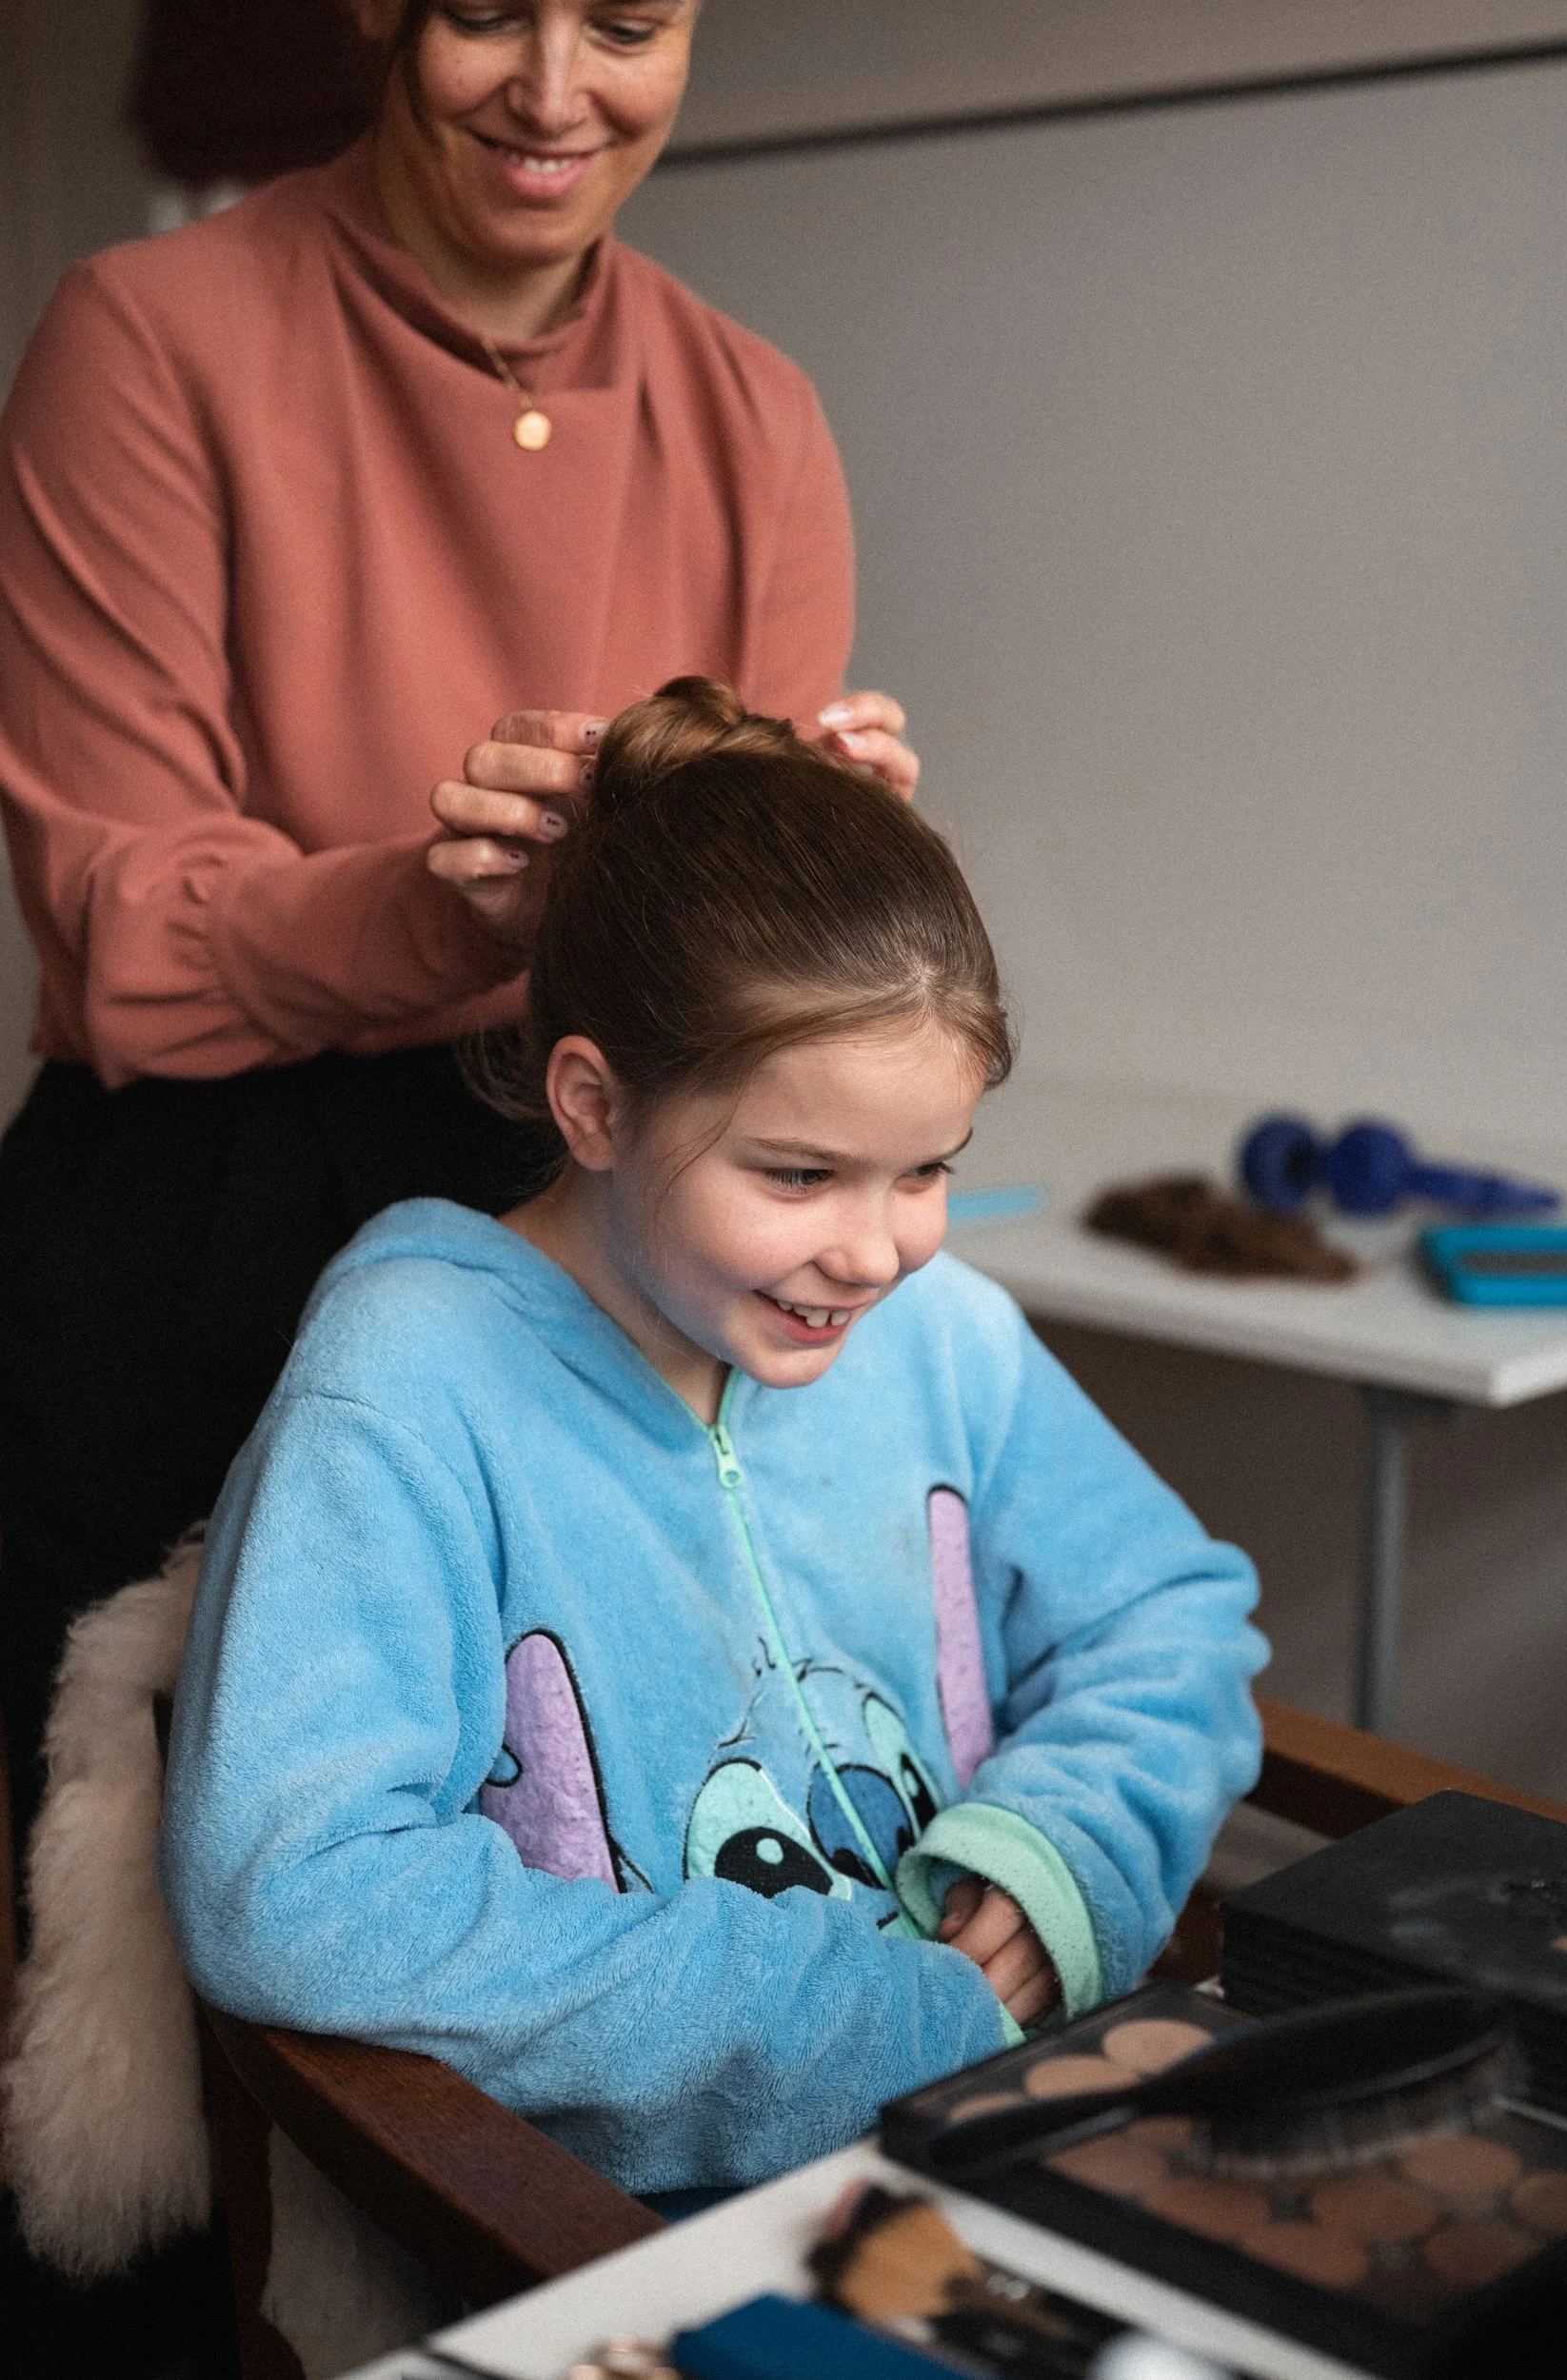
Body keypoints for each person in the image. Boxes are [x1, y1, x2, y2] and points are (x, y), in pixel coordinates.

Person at [0, 0, 920, 1894]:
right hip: (201, 1235)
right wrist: (440, 907)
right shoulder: (150, 338)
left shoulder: (752, 411)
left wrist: (826, 856)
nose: (556, 89)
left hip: (592, 1231)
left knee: (590, 1878)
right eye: (491, 11)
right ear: (375, 12)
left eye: (629, 21)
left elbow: (748, 992)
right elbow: (118, 937)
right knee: (155, 1963)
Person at [160, 681, 1267, 2199]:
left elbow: (1170, 1615)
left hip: (1001, 2147)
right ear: (595, 1104)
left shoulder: (936, 1335)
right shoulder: (408, 1380)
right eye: (800, 1175)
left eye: (925, 1169)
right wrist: (871, 2015)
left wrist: (1062, 1851)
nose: (876, 1253)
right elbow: (295, 1888)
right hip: (609, 2238)